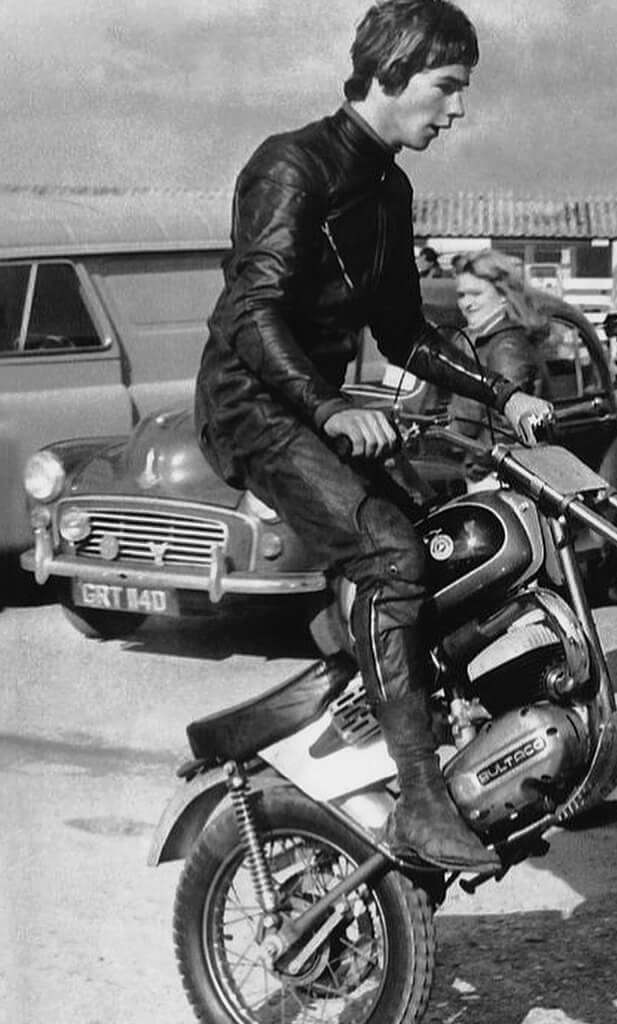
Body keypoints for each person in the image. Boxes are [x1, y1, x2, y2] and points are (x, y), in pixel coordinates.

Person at [194, 0, 553, 873]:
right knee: (391, 557)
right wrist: (329, 410)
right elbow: (251, 311)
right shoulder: (291, 166)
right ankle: (421, 800)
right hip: (251, 405)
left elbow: (404, 333)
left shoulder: (390, 188)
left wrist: (501, 392)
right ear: (392, 72)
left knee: (443, 541)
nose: (458, 110)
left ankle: (405, 723)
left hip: (310, 401)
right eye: (447, 86)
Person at [448, 249, 553, 485]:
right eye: (462, 295)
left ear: (504, 296)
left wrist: (475, 466)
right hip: (494, 468)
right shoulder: (483, 339)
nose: (467, 303)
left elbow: (505, 426)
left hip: (500, 476)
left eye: (476, 294)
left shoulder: (506, 347)